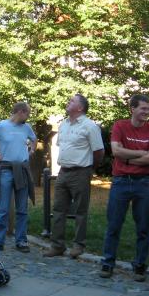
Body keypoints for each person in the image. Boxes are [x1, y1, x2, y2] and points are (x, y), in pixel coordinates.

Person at [100, 94, 149, 281]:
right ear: (132, 109)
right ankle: (107, 263)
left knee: (143, 226)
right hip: (121, 181)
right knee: (114, 224)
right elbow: (116, 152)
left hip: (143, 182)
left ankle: (140, 265)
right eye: (143, 108)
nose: (147, 112)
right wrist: (139, 154)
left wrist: (127, 157)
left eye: (148, 109)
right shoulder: (120, 126)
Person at [43, 94, 104, 259]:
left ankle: (78, 245)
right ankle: (57, 245)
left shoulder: (90, 126)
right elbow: (61, 147)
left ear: (80, 108)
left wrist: (91, 168)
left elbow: (99, 151)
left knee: (80, 210)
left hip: (81, 172)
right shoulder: (63, 125)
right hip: (63, 171)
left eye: (72, 101)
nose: (68, 102)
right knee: (58, 209)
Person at [0, 102, 37, 253]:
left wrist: (32, 150)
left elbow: (34, 139)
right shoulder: (1, 126)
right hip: (6, 170)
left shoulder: (27, 127)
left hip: (22, 170)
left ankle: (21, 241)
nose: (28, 116)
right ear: (21, 112)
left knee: (22, 208)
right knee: (3, 208)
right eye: (27, 113)